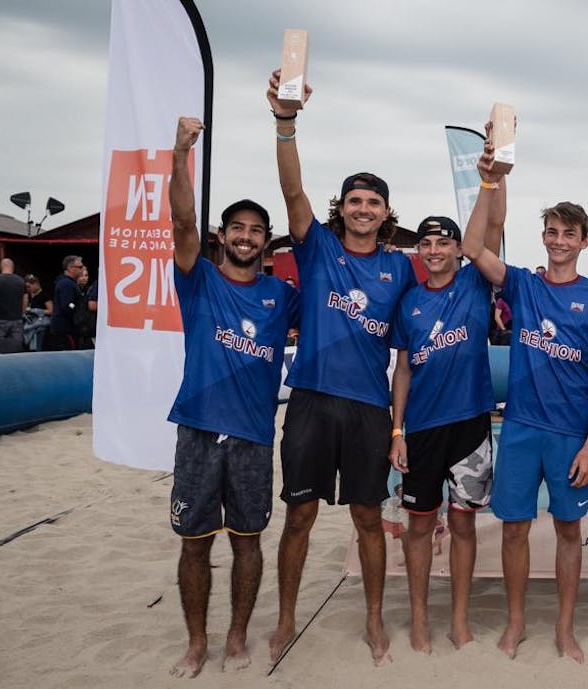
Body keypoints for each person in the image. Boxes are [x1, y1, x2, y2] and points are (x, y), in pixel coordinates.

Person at [267, 70, 417, 665]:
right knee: (300, 514)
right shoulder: (318, 247)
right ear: (342, 208)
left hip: (367, 407)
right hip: (309, 397)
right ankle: (284, 620)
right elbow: (291, 192)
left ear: (385, 213)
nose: (362, 208)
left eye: (373, 202)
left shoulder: (400, 267)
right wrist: (286, 122)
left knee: (367, 517)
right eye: (354, 200)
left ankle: (375, 622)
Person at [461, 141, 588, 663]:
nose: (558, 241)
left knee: (570, 532)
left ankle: (566, 628)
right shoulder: (524, 285)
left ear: (584, 241)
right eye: (551, 232)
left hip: (571, 433)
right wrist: (491, 179)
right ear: (544, 237)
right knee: (515, 530)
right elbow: (472, 249)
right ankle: (516, 623)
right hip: (523, 426)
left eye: (568, 234)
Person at [165, 117, 300, 678]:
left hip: (250, 439)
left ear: (266, 240)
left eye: (256, 230)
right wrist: (180, 154)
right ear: (223, 234)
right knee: (194, 545)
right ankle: (197, 642)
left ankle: (237, 636)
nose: (246, 237)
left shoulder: (282, 296)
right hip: (198, 430)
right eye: (237, 228)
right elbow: (181, 218)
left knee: (248, 543)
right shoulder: (198, 278)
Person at [387, 147, 506, 653]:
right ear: (419, 252)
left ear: (459, 249)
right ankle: (419, 619)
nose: (434, 250)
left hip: (470, 426)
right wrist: (396, 431)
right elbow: (404, 370)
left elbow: (493, 229)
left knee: (462, 526)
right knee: (418, 527)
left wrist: (490, 180)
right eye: (427, 243)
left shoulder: (475, 285)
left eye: (444, 242)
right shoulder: (409, 301)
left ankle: (458, 619)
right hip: (421, 429)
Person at [0, 258, 28, 353]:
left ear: (1, 267)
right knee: (16, 346)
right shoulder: (21, 281)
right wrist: (21, 313)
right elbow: (25, 300)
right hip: (16, 319)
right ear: (13, 267)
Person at [48, 255, 85, 350]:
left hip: (65, 329)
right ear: (70, 268)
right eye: (80, 267)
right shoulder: (66, 284)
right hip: (64, 330)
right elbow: (67, 304)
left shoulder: (70, 283)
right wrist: (76, 309)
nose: (82, 269)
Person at [23, 274, 51, 351]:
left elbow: (51, 310)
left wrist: (36, 310)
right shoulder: (30, 296)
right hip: (31, 325)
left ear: (36, 284)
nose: (28, 289)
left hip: (40, 326)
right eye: (26, 287)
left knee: (38, 347)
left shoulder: (44, 295)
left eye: (29, 286)